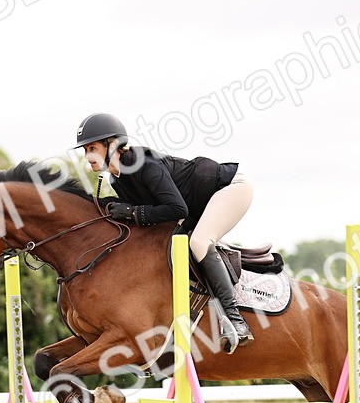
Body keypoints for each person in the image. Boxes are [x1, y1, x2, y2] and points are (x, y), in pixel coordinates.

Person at [73, 112, 254, 354]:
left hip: (230, 188)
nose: (87, 156)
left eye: (92, 148)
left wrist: (132, 211)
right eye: (85, 150)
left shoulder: (144, 164)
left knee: (199, 242)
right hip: (198, 205)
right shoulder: (117, 179)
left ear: (112, 145)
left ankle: (236, 321)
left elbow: (177, 209)